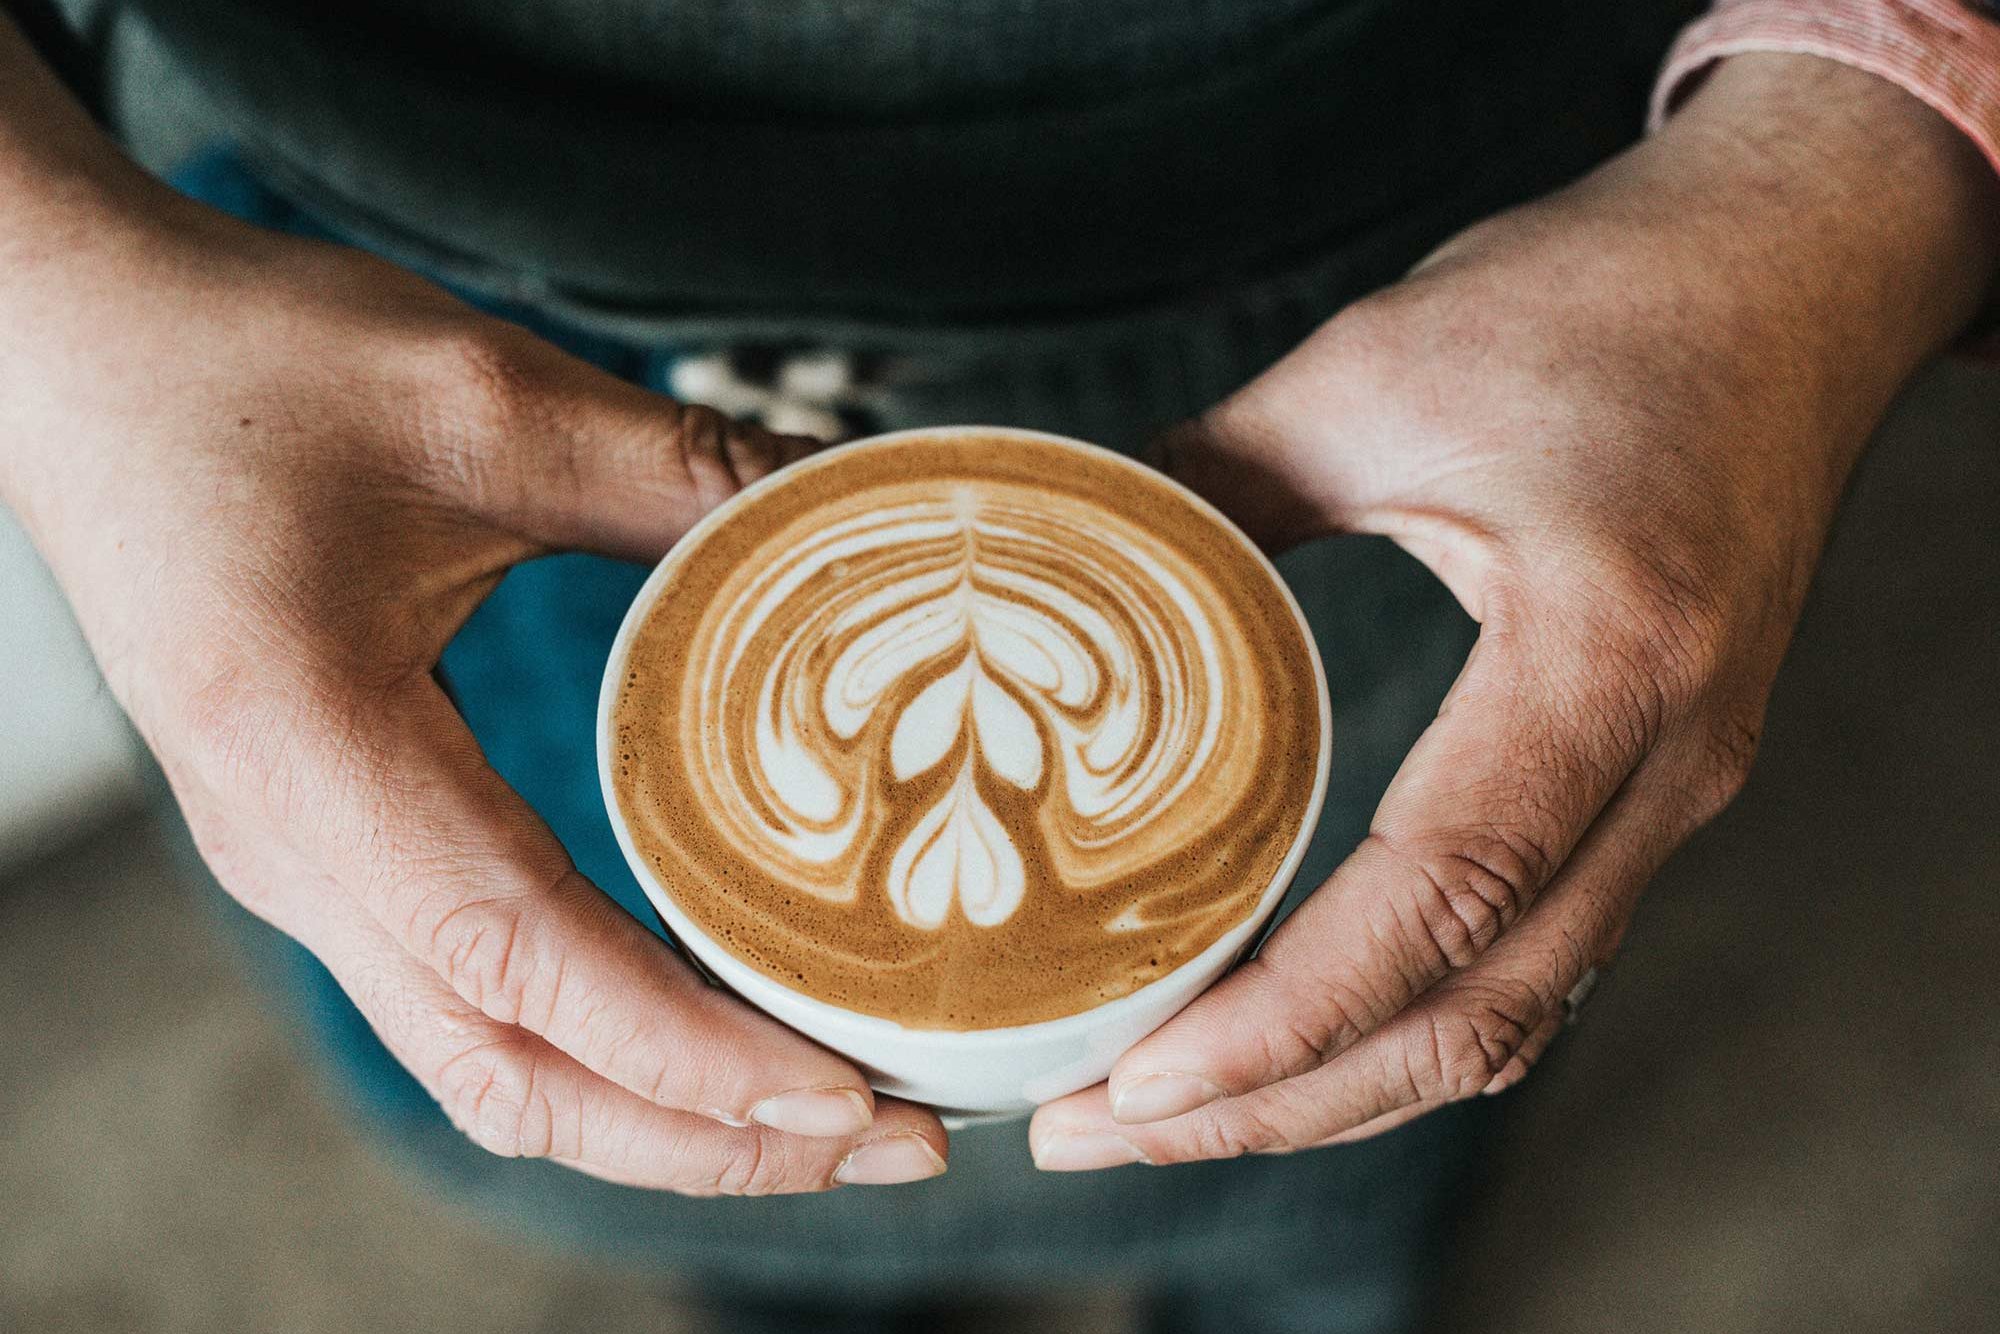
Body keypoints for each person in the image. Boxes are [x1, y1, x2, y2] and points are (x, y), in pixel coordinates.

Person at [2, 2, 1996, 1329]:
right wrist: (47, 294)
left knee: (1359, 1060)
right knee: (678, 1120)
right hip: (341, 321)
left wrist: (1859, 143)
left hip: (1444, 287)